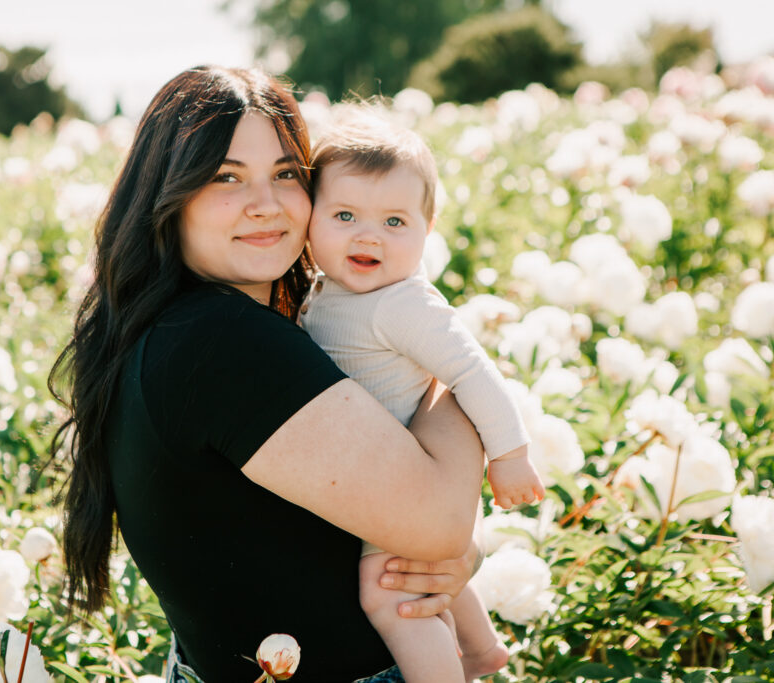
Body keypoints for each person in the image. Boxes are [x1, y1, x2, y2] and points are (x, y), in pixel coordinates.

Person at [49, 65, 486, 682]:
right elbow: (440, 520)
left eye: (286, 174)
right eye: (226, 177)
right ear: (167, 195)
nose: (266, 204)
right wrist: (456, 365)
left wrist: (454, 554)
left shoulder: (167, 325)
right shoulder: (222, 341)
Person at [300, 107, 546, 681]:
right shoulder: (324, 288)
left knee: (393, 596)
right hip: (375, 472)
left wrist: (509, 456)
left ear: (426, 230)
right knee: (428, 572)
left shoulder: (404, 303)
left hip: (404, 479)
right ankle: (483, 650)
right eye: (344, 215)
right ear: (310, 219)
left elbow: (474, 374)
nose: (369, 235)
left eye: (395, 222)